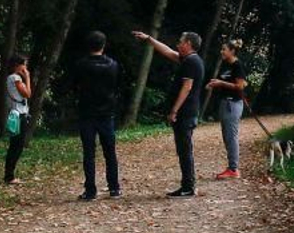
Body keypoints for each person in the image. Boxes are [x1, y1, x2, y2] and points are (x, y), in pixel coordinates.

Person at [133, 29, 205, 197]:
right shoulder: (189, 60)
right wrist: (149, 39)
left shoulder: (191, 62)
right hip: (187, 112)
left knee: (184, 150)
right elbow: (168, 52)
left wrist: (174, 110)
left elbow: (187, 87)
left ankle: (188, 186)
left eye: (181, 41)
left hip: (185, 113)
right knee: (183, 149)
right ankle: (187, 185)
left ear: (188, 44)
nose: (178, 44)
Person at [66, 31, 120, 200]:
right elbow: (117, 86)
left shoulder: (81, 65)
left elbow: (73, 86)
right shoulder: (113, 65)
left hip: (87, 113)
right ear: (103, 45)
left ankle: (90, 190)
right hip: (106, 113)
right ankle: (114, 188)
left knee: (89, 153)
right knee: (110, 152)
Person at [206, 39, 247, 179]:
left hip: (233, 104)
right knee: (227, 136)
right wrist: (213, 83)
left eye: (224, 49)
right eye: (222, 49)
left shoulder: (237, 65)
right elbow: (224, 81)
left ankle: (233, 169)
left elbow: (240, 86)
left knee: (231, 136)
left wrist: (221, 83)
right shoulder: (226, 64)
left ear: (232, 51)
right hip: (225, 103)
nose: (221, 51)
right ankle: (231, 167)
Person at [2, 54, 31, 184]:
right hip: (18, 114)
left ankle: (9, 174)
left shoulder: (12, 78)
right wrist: (28, 78)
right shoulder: (15, 78)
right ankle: (9, 175)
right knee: (16, 145)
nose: (25, 67)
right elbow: (27, 94)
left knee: (16, 145)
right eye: (24, 64)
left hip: (18, 113)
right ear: (17, 65)